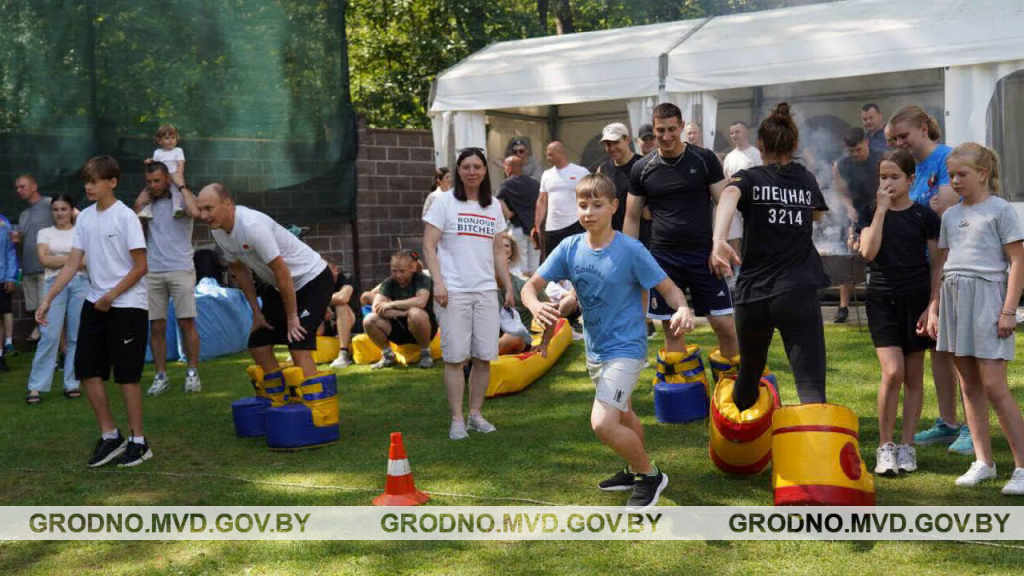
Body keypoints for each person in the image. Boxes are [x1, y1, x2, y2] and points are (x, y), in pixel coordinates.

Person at [523, 173, 694, 511]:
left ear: (614, 207)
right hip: (596, 350)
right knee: (625, 414)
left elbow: (669, 288)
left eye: (597, 205)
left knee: (603, 423)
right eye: (583, 205)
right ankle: (634, 469)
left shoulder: (631, 250)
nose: (588, 212)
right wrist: (535, 305)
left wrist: (684, 308)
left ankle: (650, 474)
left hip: (627, 349)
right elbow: (530, 287)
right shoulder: (570, 248)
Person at [710, 103, 831, 412]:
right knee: (809, 382)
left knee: (749, 373)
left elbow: (728, 195)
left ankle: (739, 435)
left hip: (754, 294)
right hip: (796, 291)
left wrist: (719, 240)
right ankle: (816, 439)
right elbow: (817, 215)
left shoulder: (750, 177)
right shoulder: (805, 178)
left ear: (759, 145)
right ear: (794, 145)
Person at [37, 156, 151, 467]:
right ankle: (110, 435)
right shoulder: (85, 218)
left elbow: (141, 266)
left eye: (94, 181)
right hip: (95, 303)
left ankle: (139, 442)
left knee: (127, 377)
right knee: (86, 369)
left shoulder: (126, 217)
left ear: (112, 182)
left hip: (128, 306)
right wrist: (48, 299)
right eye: (86, 181)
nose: (88, 187)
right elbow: (72, 264)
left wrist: (111, 296)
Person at [925, 143, 1024, 495]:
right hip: (954, 298)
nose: (955, 181)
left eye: (961, 174)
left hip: (987, 298)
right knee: (968, 385)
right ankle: (984, 461)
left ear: (983, 174)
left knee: (995, 387)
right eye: (951, 175)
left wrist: (1008, 310)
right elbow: (943, 265)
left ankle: (1022, 467)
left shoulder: (1000, 210)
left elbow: (1017, 261)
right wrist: (934, 307)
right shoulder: (950, 215)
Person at [624, 102, 739, 362]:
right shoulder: (642, 168)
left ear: (682, 127)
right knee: (673, 329)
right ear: (654, 130)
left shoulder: (704, 159)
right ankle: (680, 385)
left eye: (671, 129)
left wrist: (719, 245)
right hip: (663, 259)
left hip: (704, 256)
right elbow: (631, 216)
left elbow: (725, 203)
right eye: (660, 131)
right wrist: (629, 260)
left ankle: (734, 383)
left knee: (725, 326)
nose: (666, 136)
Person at [888, 104, 969, 454]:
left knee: (961, 350)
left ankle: (972, 425)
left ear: (924, 128)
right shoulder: (913, 168)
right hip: (923, 269)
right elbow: (926, 209)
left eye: (903, 136)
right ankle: (948, 423)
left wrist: (931, 208)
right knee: (938, 346)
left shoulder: (947, 159)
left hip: (952, 265)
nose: (899, 144)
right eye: (893, 139)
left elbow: (946, 206)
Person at [857, 149, 940, 476]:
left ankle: (907, 445)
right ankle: (885, 446)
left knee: (914, 377)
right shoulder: (869, 211)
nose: (888, 183)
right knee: (892, 373)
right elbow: (868, 252)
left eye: (894, 177)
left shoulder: (924, 216)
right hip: (881, 300)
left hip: (916, 300)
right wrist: (880, 210)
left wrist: (932, 305)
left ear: (910, 179)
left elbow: (937, 265)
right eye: (883, 177)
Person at [423, 147, 515, 441]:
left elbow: (498, 250)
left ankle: (475, 414)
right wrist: (438, 283)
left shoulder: (493, 206)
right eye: (466, 167)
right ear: (458, 171)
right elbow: (429, 246)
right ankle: (457, 420)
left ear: (485, 171)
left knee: (484, 357)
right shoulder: (444, 202)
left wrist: (507, 285)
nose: (472, 172)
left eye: (477, 166)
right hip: (453, 291)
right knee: (455, 358)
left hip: (486, 291)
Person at [197, 183, 334, 378]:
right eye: (201, 209)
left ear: (228, 204)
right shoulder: (217, 231)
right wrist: (256, 312)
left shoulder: (252, 226)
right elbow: (239, 270)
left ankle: (312, 398)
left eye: (208, 208)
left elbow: (282, 271)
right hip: (281, 285)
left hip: (313, 279)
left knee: (297, 343)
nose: (203, 216)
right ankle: (281, 394)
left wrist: (292, 317)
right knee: (258, 345)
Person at [134, 163, 202, 395]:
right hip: (153, 270)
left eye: (157, 181)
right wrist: (137, 205)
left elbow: (196, 213)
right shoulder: (147, 202)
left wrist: (180, 185)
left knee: (186, 322)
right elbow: (134, 232)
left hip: (181, 267)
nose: (152, 185)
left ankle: (192, 374)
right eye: (149, 181)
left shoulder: (182, 198)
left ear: (167, 179)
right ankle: (161, 376)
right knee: (157, 326)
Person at [26, 193, 87, 403]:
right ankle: (36, 386)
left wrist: (59, 259)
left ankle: (72, 383)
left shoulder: (81, 232)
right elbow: (44, 260)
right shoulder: (45, 233)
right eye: (55, 209)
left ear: (71, 210)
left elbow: (86, 262)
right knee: (49, 335)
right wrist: (73, 260)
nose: (59, 213)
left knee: (76, 336)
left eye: (64, 209)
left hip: (80, 284)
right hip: (54, 284)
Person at [832, 127, 884, 323]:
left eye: (858, 149)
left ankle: (880, 301)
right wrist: (849, 209)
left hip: (880, 208)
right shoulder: (841, 164)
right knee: (850, 258)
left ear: (866, 142)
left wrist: (881, 208)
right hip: (856, 211)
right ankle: (843, 306)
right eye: (851, 151)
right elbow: (841, 192)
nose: (855, 154)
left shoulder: (882, 158)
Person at [362, 250, 437, 370]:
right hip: (398, 327)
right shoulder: (389, 282)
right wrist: (404, 313)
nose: (398, 275)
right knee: (369, 319)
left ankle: (425, 354)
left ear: (412, 268)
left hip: (424, 327)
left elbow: (420, 301)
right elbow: (376, 308)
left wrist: (392, 304)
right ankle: (388, 356)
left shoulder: (422, 279)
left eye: (402, 271)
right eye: (394, 271)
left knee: (416, 313)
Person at [13, 174, 55, 344]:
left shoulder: (50, 204)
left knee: (47, 309)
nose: (18, 190)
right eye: (17, 188)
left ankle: (50, 346)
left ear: (34, 187)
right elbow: (24, 246)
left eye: (22, 186)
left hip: (46, 269)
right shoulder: (23, 214)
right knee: (36, 310)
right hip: (29, 270)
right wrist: (18, 241)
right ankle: (46, 344)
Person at [536, 142, 590, 259]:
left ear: (559, 153)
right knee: (553, 261)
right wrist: (537, 225)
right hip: (552, 227)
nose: (547, 158)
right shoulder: (546, 174)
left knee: (576, 259)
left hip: (575, 223)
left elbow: (591, 195)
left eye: (550, 155)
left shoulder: (581, 172)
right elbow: (542, 201)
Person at [495, 155, 541, 275]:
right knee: (535, 267)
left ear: (509, 168)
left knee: (521, 266)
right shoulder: (535, 182)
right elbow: (542, 201)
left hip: (518, 228)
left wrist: (508, 213)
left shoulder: (507, 184)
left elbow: (498, 200)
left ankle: (523, 287)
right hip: (535, 229)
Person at [596, 122, 642, 232]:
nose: (612, 148)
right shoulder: (602, 170)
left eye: (616, 142)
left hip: (642, 234)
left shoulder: (644, 165)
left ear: (627, 140)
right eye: (608, 144)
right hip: (612, 234)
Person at [141, 124, 186, 219]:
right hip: (161, 178)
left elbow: (181, 164)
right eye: (167, 138)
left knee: (175, 191)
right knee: (151, 192)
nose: (170, 140)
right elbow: (155, 164)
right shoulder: (157, 152)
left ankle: (176, 208)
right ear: (159, 140)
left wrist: (179, 175)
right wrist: (150, 161)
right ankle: (147, 209)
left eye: (173, 138)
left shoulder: (178, 151)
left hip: (173, 177)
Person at [326, 259, 360, 370]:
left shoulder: (346, 277)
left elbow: (342, 298)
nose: (323, 275)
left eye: (326, 271)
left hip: (351, 322)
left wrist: (320, 301)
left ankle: (344, 354)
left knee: (340, 306)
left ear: (335, 270)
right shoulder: (317, 282)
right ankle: (300, 348)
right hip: (328, 323)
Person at [0, 210, 16, 369]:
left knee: (2, 314)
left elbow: (10, 251)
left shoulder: (3, 223)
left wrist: (11, 276)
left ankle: (1, 355)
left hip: (2, 277)